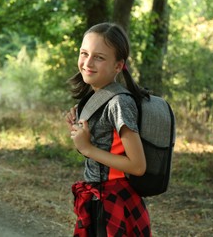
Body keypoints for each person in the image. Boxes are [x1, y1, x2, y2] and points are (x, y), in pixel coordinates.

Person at [65, 22, 152, 236]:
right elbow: (104, 150)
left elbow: (137, 165)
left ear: (118, 65)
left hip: (115, 200)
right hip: (97, 197)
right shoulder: (94, 99)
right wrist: (81, 134)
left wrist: (87, 148)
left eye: (99, 57)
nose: (88, 62)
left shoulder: (119, 103)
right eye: (84, 53)